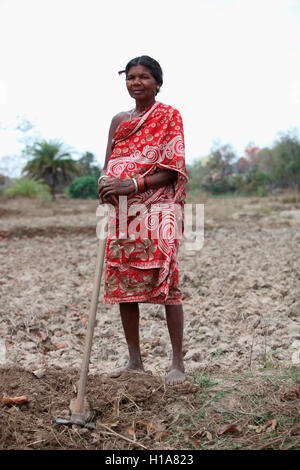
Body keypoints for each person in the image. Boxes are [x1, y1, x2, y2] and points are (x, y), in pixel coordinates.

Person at [98, 56, 188, 385]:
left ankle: (177, 363)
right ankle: (134, 361)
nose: (136, 82)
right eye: (131, 77)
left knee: (168, 283)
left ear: (158, 83)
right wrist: (105, 184)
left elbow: (172, 169)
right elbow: (109, 164)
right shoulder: (119, 121)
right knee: (124, 284)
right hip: (122, 212)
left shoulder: (169, 117)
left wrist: (132, 184)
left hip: (158, 211)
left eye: (144, 77)